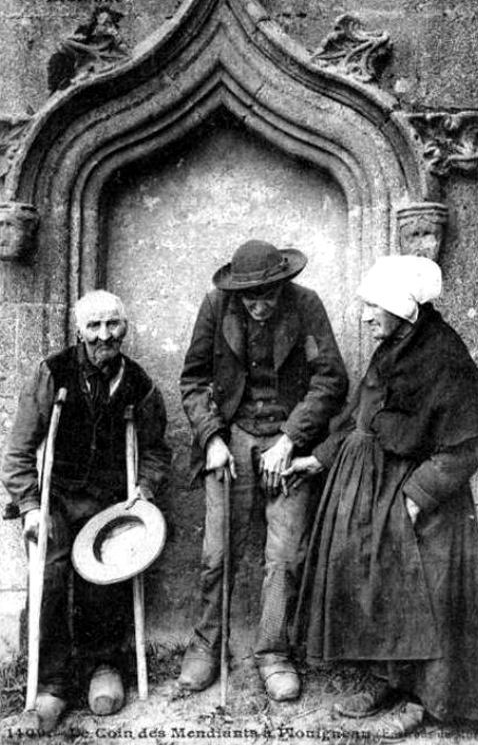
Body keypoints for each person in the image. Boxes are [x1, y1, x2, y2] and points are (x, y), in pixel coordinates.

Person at [284, 255, 478, 739]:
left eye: (373, 306)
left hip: (425, 499)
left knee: (431, 593)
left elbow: (469, 443)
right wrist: (318, 459)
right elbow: (358, 415)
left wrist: (416, 497)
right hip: (379, 487)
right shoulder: (393, 347)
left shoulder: (443, 355)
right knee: (384, 588)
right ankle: (389, 681)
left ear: (402, 307)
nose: (365, 316)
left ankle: (430, 701)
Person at [178, 239, 348, 701]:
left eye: (269, 294)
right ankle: (206, 646)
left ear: (283, 284)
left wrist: (291, 438)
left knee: (286, 555)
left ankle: (273, 652)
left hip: (288, 442)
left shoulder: (307, 305)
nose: (259, 304)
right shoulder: (216, 307)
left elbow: (331, 379)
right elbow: (193, 380)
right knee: (217, 551)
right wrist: (212, 437)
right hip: (232, 437)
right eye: (251, 296)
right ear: (236, 292)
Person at [1, 290, 170, 732]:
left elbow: (154, 450)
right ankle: (53, 685)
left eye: (112, 325)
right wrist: (30, 505)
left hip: (108, 501)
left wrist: (145, 491)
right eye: (93, 326)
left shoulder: (139, 384)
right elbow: (19, 450)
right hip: (55, 499)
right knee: (51, 576)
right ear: (79, 331)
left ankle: (104, 667)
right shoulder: (52, 374)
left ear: (125, 329)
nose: (103, 335)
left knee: (106, 575)